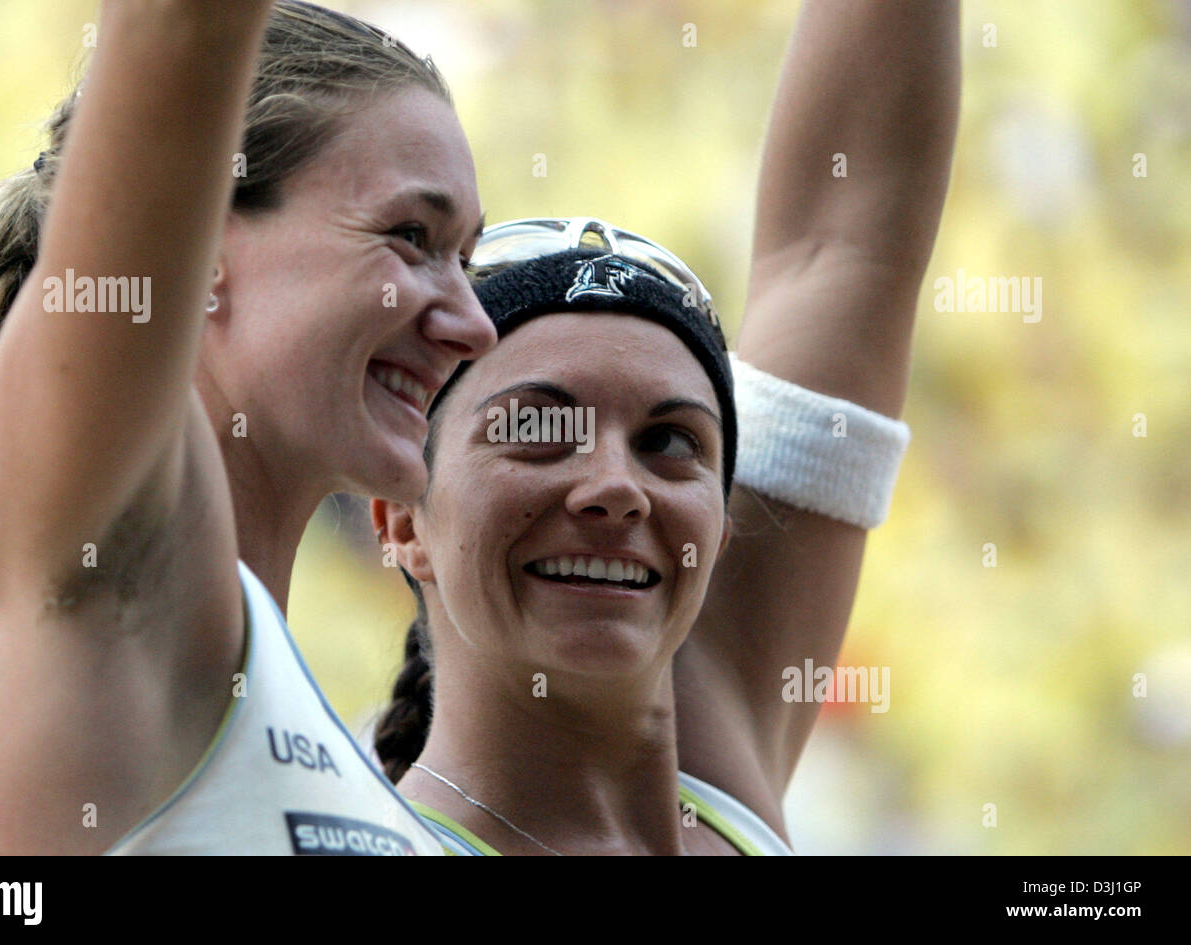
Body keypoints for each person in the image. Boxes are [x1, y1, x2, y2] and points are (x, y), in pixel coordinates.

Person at [0, 0, 494, 855]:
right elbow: (179, 23)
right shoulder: (120, 553)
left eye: (466, 260)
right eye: (412, 238)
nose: (475, 325)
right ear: (198, 250)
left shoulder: (329, 747)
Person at [371, 0, 960, 855]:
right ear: (399, 518)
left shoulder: (720, 766)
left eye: (670, 441)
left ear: (722, 534)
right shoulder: (343, 836)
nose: (616, 485)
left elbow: (844, 248)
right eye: (537, 426)